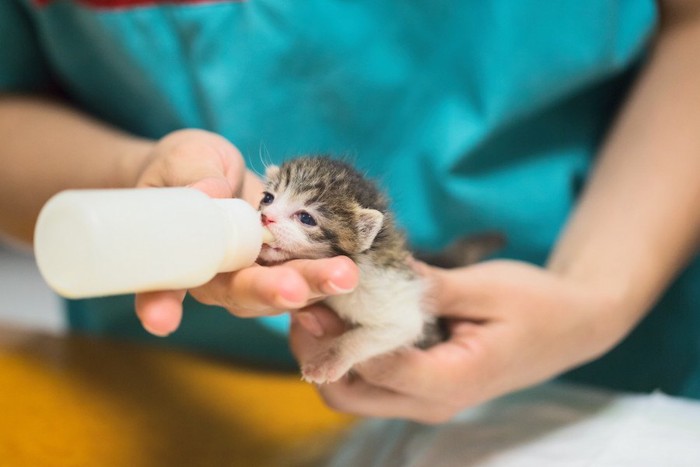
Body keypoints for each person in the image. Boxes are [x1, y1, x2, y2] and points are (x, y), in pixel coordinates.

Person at [1, 0, 699, 424]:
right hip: (168, 380)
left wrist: (595, 296)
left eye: (298, 221)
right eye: (270, 199)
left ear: (359, 237)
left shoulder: (369, 263)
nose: (270, 220)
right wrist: (131, 176)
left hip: (608, 345)